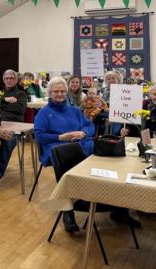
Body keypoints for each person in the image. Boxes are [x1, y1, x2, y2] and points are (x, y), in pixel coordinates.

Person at [35, 77, 140, 231]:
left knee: (110, 155)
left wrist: (83, 133)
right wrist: (60, 137)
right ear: (50, 93)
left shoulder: (74, 110)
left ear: (67, 92)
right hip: (57, 147)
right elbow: (39, 135)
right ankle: (67, 211)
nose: (59, 94)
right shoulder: (44, 113)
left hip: (80, 144)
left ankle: (118, 208)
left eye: (62, 91)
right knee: (65, 157)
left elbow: (90, 126)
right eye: (56, 91)